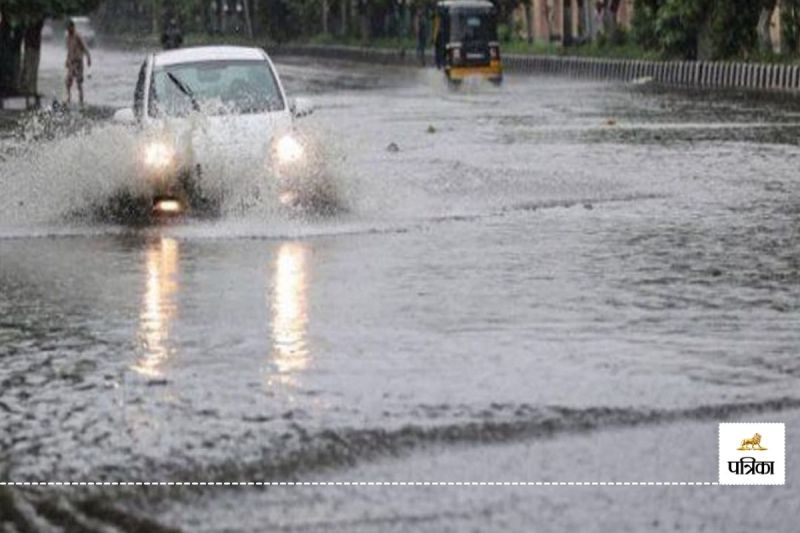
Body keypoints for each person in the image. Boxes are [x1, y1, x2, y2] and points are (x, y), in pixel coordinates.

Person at [65, 19, 91, 107]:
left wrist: (88, 58)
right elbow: (69, 50)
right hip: (71, 63)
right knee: (68, 81)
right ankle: (69, 98)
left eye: (70, 28)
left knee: (79, 82)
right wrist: (67, 60)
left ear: (73, 27)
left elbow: (85, 47)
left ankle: (81, 100)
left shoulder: (78, 36)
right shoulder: (68, 37)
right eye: (67, 29)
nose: (69, 30)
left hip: (78, 62)